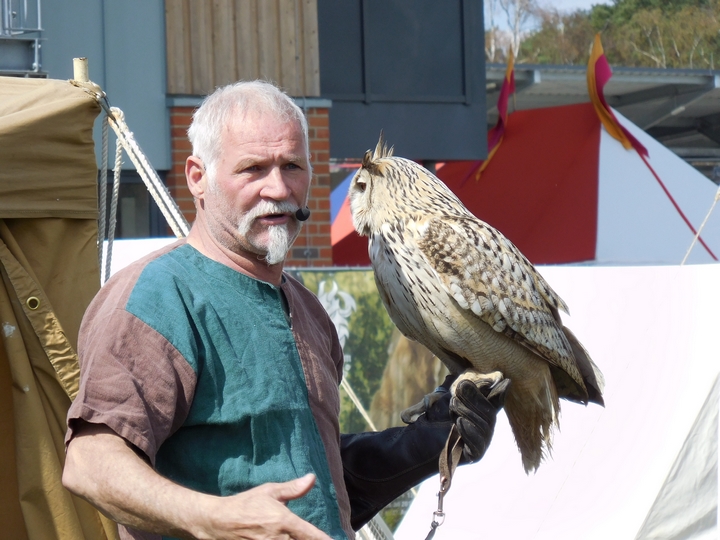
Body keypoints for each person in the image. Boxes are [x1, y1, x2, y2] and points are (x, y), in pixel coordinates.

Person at [62, 81, 506, 540]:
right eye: (253, 169)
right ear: (198, 177)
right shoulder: (158, 296)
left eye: (291, 166)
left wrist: (424, 444)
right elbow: (91, 463)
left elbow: (317, 484)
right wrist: (214, 518)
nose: (278, 188)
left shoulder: (308, 310)